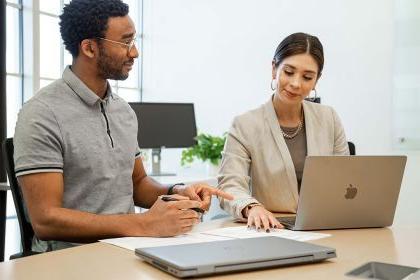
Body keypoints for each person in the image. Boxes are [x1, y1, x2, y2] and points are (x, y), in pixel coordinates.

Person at [13, 0, 232, 252]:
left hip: (127, 247)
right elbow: (46, 220)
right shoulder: (41, 114)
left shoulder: (123, 111)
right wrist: (142, 225)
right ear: (89, 48)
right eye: (126, 42)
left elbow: (138, 184)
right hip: (70, 256)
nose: (135, 52)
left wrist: (178, 190)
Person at [217, 32, 349, 232]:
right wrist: (252, 208)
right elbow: (230, 185)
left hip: (325, 225)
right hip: (271, 227)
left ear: (316, 80)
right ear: (274, 69)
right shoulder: (245, 124)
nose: (296, 84)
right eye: (288, 72)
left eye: (307, 77)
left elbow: (344, 179)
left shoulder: (329, 118)